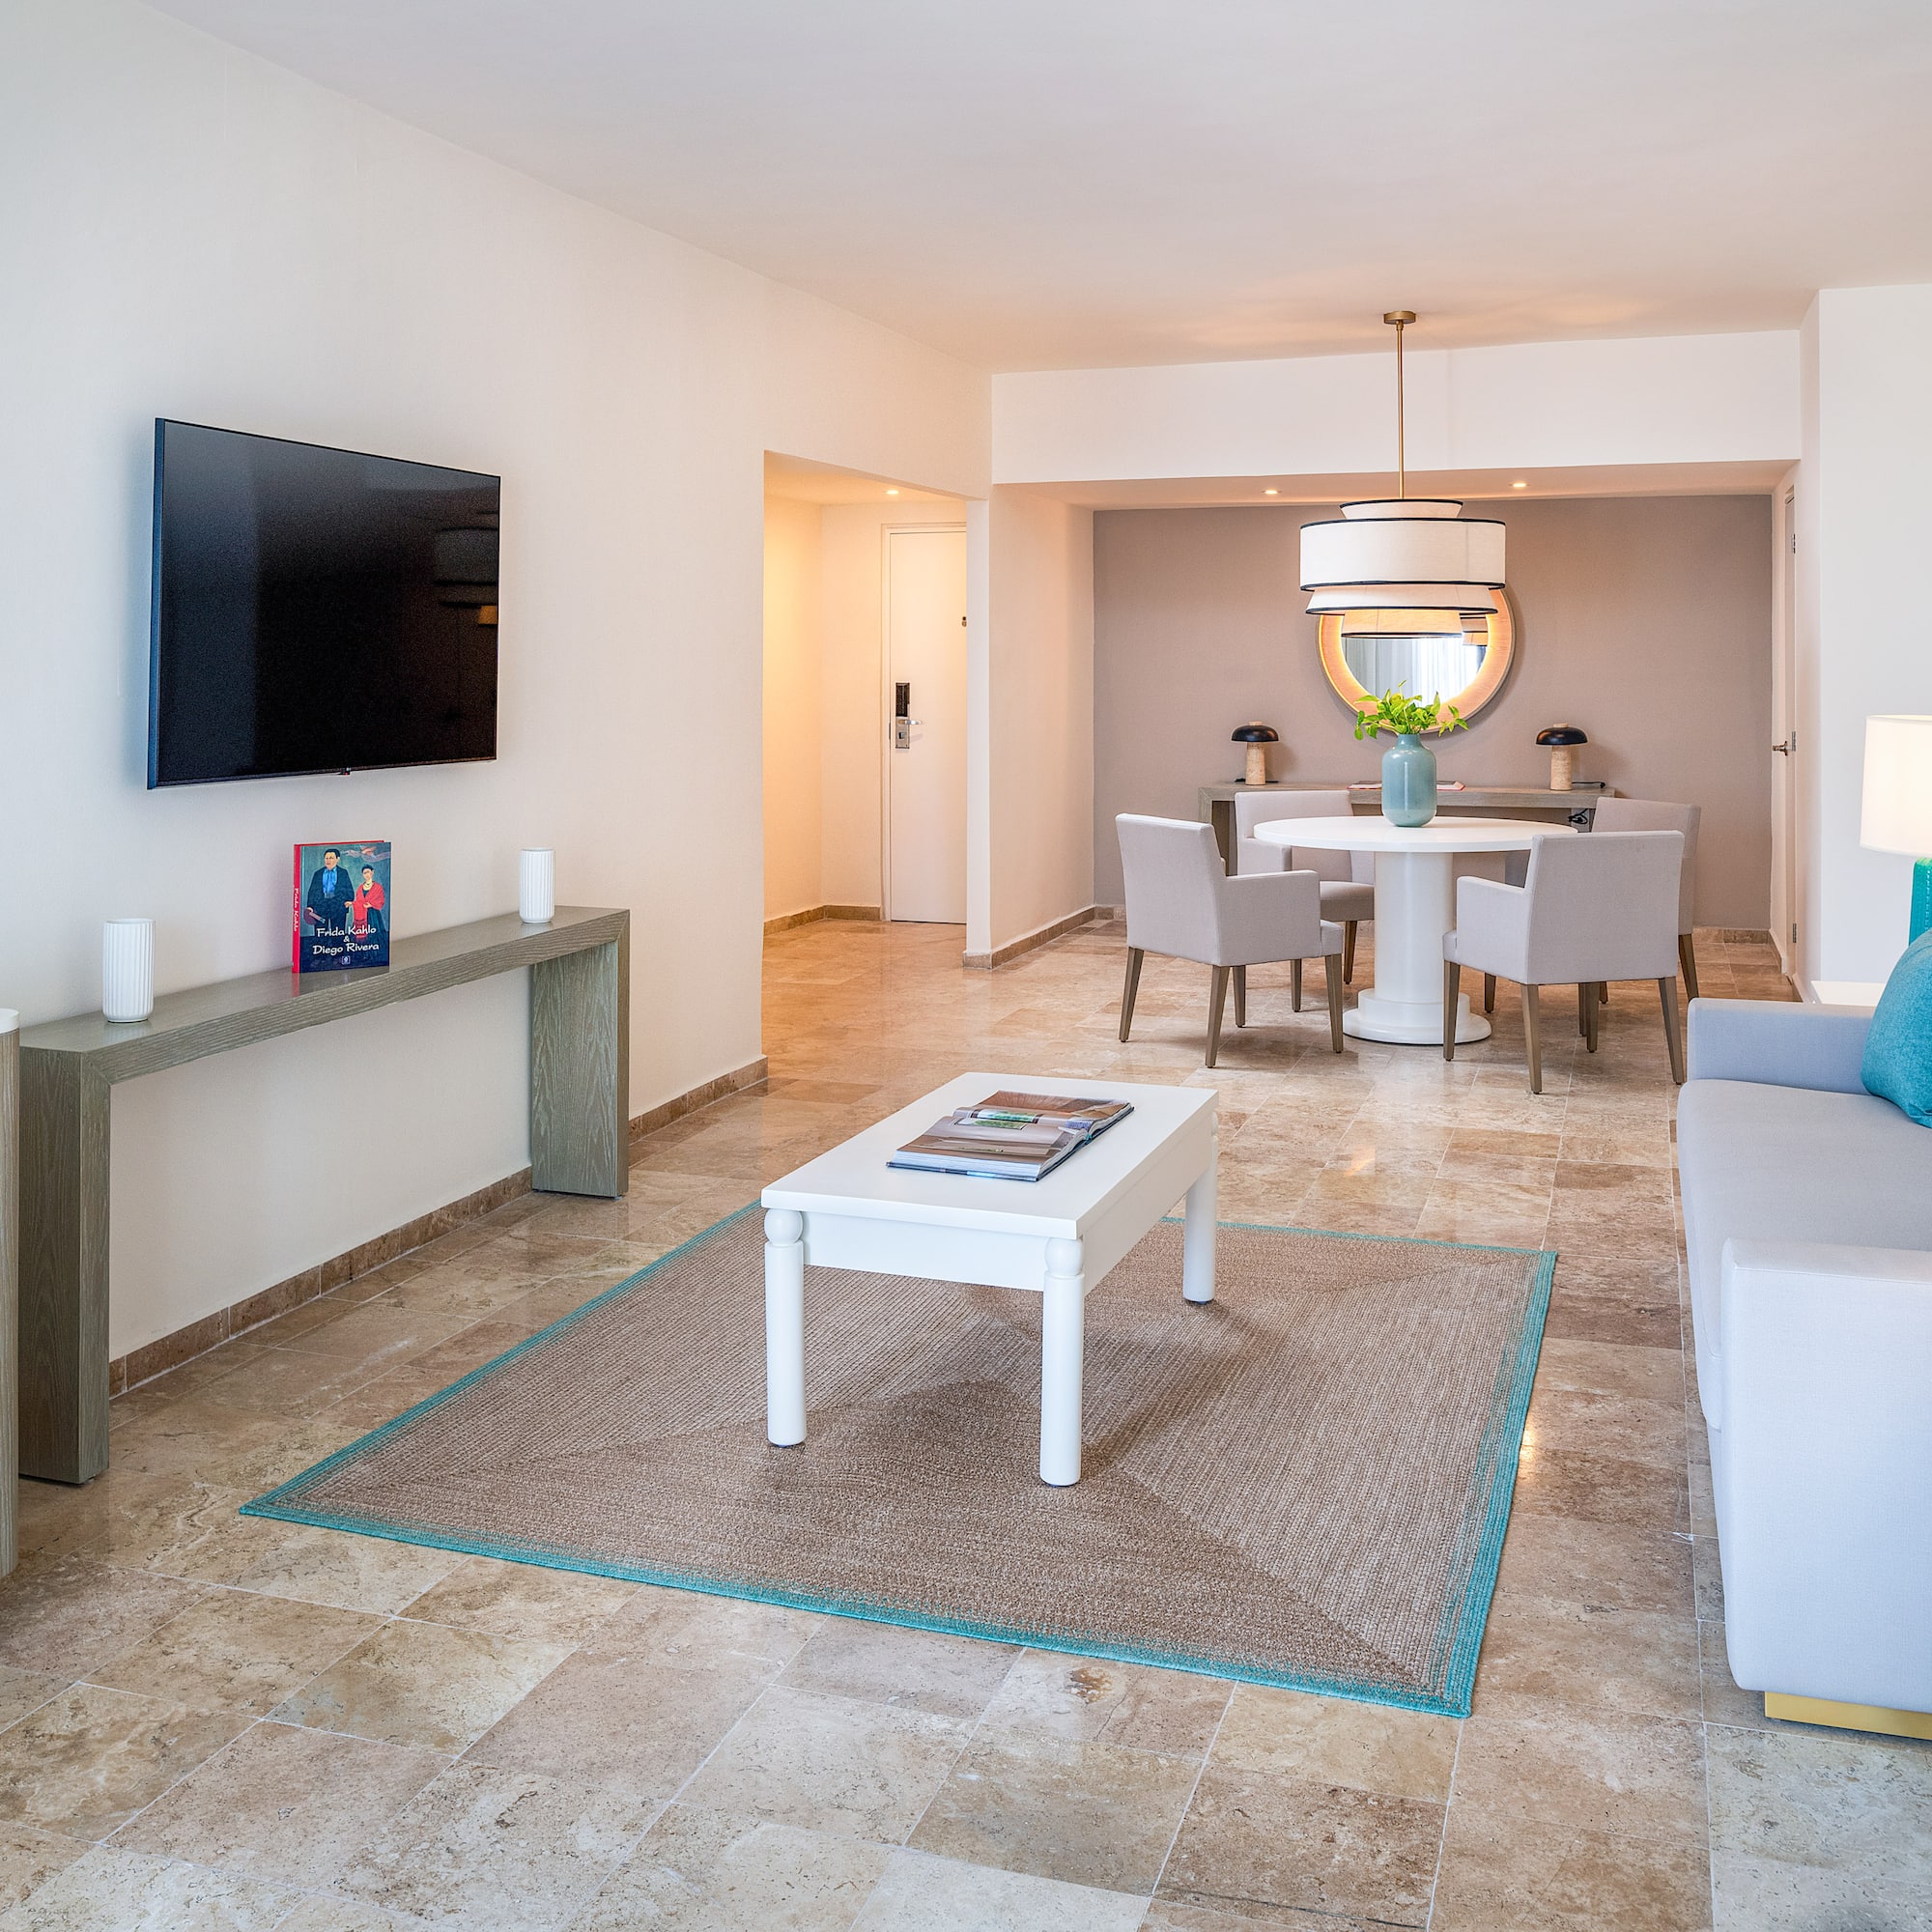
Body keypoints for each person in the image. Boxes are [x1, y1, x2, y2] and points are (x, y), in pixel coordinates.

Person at [304, 849, 356, 933]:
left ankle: (338, 946)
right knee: (320, 933)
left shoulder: (343, 873)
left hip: (338, 905)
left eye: (331, 858)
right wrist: (310, 906)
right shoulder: (318, 873)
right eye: (326, 858)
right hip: (320, 906)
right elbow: (312, 891)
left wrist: (349, 900)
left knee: (338, 933)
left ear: (337, 859)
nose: (328, 860)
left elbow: (349, 888)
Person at [352, 864, 385, 938]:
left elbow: (381, 900)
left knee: (375, 936)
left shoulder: (378, 887)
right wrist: (352, 903)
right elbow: (358, 902)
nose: (367, 874)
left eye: (368, 872)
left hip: (374, 915)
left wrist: (371, 904)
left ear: (372, 872)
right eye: (364, 873)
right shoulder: (360, 888)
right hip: (362, 914)